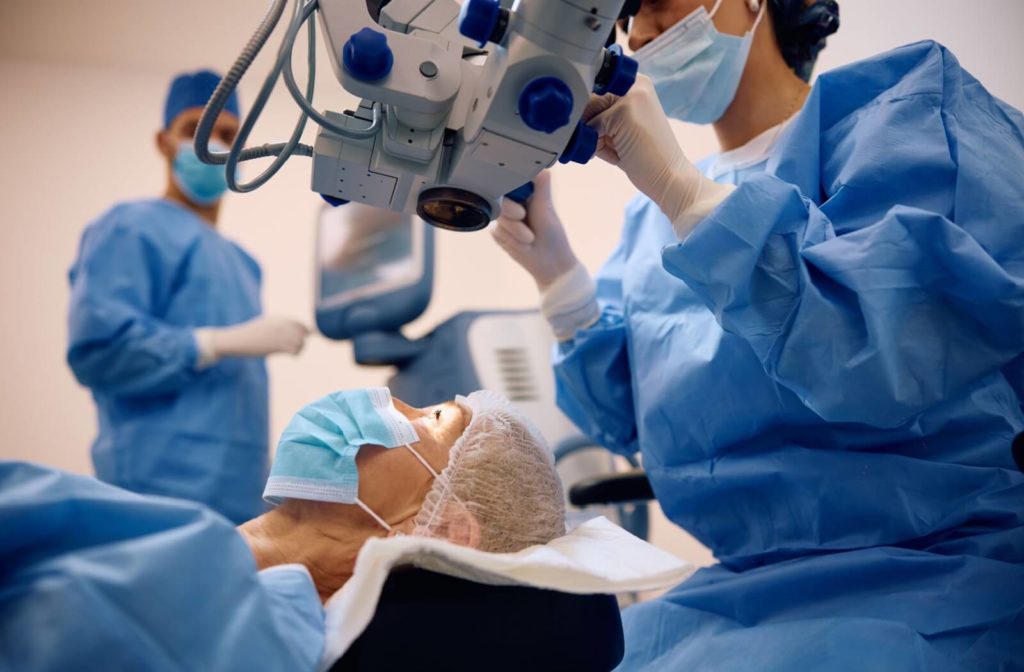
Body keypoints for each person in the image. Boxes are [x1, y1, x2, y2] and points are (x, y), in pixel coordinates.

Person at [492, 0, 1024, 669]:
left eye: (659, 3)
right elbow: (633, 422)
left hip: (938, 575)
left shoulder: (910, 115)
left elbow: (883, 353)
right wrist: (560, 279)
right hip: (740, 592)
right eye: (626, 20)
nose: (641, 34)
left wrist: (688, 199)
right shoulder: (650, 221)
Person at [0, 389, 566, 670]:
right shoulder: (196, 542)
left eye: (433, 418)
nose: (388, 397)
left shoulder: (264, 634)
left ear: (440, 528)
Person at [66, 69, 309, 523]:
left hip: (239, 501)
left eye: (227, 133)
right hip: (153, 495)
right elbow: (101, 352)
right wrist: (214, 343)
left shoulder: (243, 263)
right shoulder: (129, 227)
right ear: (164, 142)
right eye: (194, 130)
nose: (212, 144)